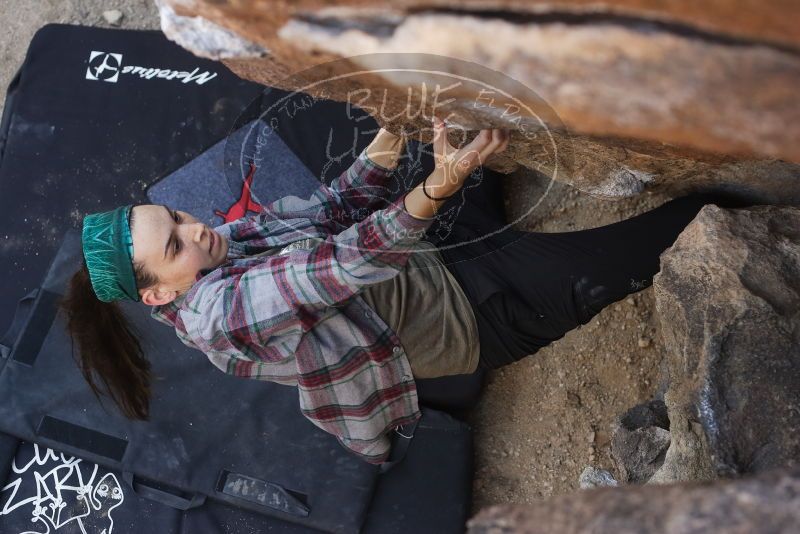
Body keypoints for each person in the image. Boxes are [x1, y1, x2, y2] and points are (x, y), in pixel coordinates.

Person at [61, 116, 743, 464]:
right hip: (477, 314)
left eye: (177, 217)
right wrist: (436, 186)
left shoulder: (213, 251)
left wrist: (389, 134)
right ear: (156, 296)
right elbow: (342, 263)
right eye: (174, 244)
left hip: (426, 256)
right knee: (698, 214)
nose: (195, 229)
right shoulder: (220, 318)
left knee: (459, 133)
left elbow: (330, 213)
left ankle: (457, 183)